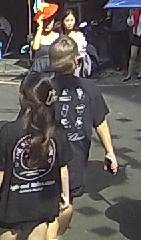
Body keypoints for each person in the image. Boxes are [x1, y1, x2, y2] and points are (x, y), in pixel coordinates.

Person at [0, 73, 72, 240]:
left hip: (14, 198)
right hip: (44, 197)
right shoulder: (57, 131)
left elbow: (0, 170)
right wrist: (65, 195)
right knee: (40, 228)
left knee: (9, 232)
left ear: (22, 98)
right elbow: (63, 167)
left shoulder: (9, 131)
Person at [48, 37, 117, 236]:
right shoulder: (89, 88)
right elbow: (100, 122)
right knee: (66, 201)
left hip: (46, 155)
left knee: (49, 200)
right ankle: (55, 234)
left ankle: (50, 233)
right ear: (77, 61)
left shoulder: (43, 88)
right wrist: (109, 151)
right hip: (75, 157)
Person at [57, 9, 90, 77]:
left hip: (77, 68)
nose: (70, 23)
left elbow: (81, 52)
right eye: (67, 20)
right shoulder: (59, 36)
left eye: (72, 20)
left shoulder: (79, 35)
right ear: (62, 21)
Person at [31, 3, 61, 72]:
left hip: (54, 71)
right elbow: (35, 47)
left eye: (50, 21)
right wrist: (40, 28)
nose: (47, 24)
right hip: (39, 71)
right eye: (45, 21)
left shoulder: (59, 36)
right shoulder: (37, 36)